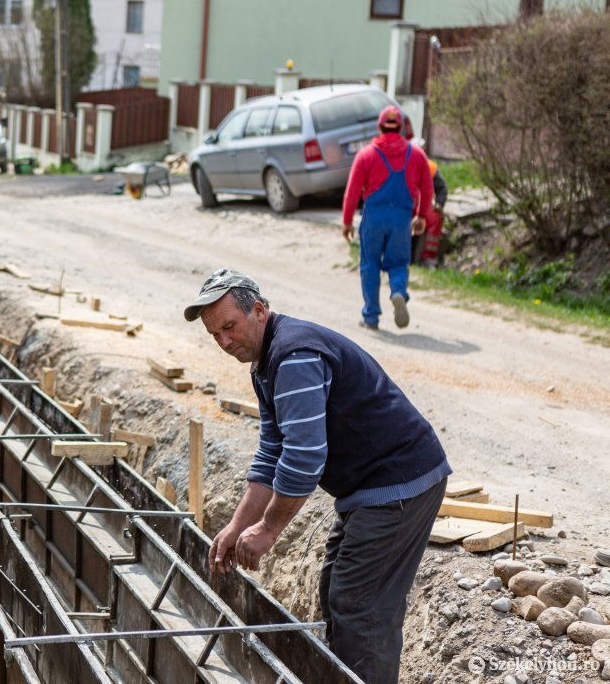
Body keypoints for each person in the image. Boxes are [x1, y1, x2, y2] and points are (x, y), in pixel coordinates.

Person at [183, 269, 450, 684]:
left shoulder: (294, 357)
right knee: (334, 590)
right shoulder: (265, 364)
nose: (224, 342)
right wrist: (238, 526)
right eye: (214, 334)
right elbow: (273, 452)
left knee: (360, 606)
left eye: (229, 327)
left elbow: (305, 456)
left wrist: (269, 529)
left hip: (399, 482)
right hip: (369, 487)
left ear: (258, 309)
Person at [341, 106, 434, 329]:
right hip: (401, 219)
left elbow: (353, 191)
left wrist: (347, 221)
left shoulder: (366, 154)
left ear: (379, 126)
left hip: (373, 218)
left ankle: (371, 317)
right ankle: (398, 291)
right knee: (399, 263)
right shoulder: (417, 155)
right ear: (401, 127)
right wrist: (422, 216)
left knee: (370, 265)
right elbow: (428, 188)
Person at [419, 159, 448, 267]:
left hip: (422, 206)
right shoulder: (395, 162)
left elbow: (442, 188)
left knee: (436, 217)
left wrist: (439, 203)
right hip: (402, 205)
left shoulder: (429, 167)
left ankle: (428, 257)